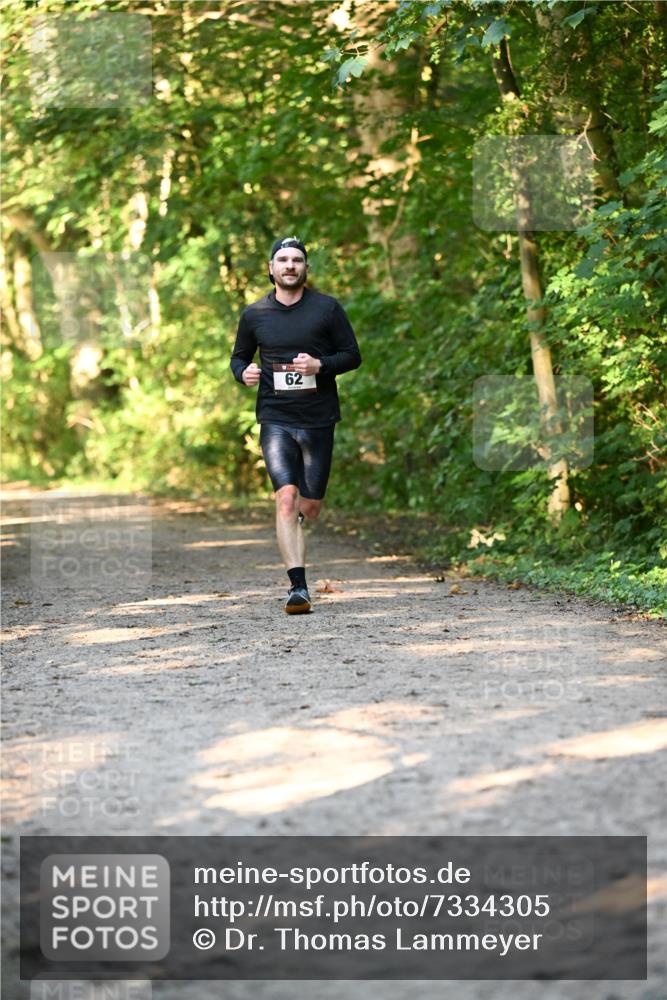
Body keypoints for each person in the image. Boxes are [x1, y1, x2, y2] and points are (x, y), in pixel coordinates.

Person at [230, 236, 361, 614]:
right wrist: (245, 372)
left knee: (311, 506)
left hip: (319, 419)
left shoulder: (327, 309)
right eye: (283, 260)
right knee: (285, 499)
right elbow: (238, 358)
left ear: (305, 268)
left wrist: (320, 365)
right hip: (276, 417)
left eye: (297, 260)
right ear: (271, 268)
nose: (290, 265)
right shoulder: (255, 315)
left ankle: (299, 520)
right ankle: (298, 588)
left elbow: (352, 355)